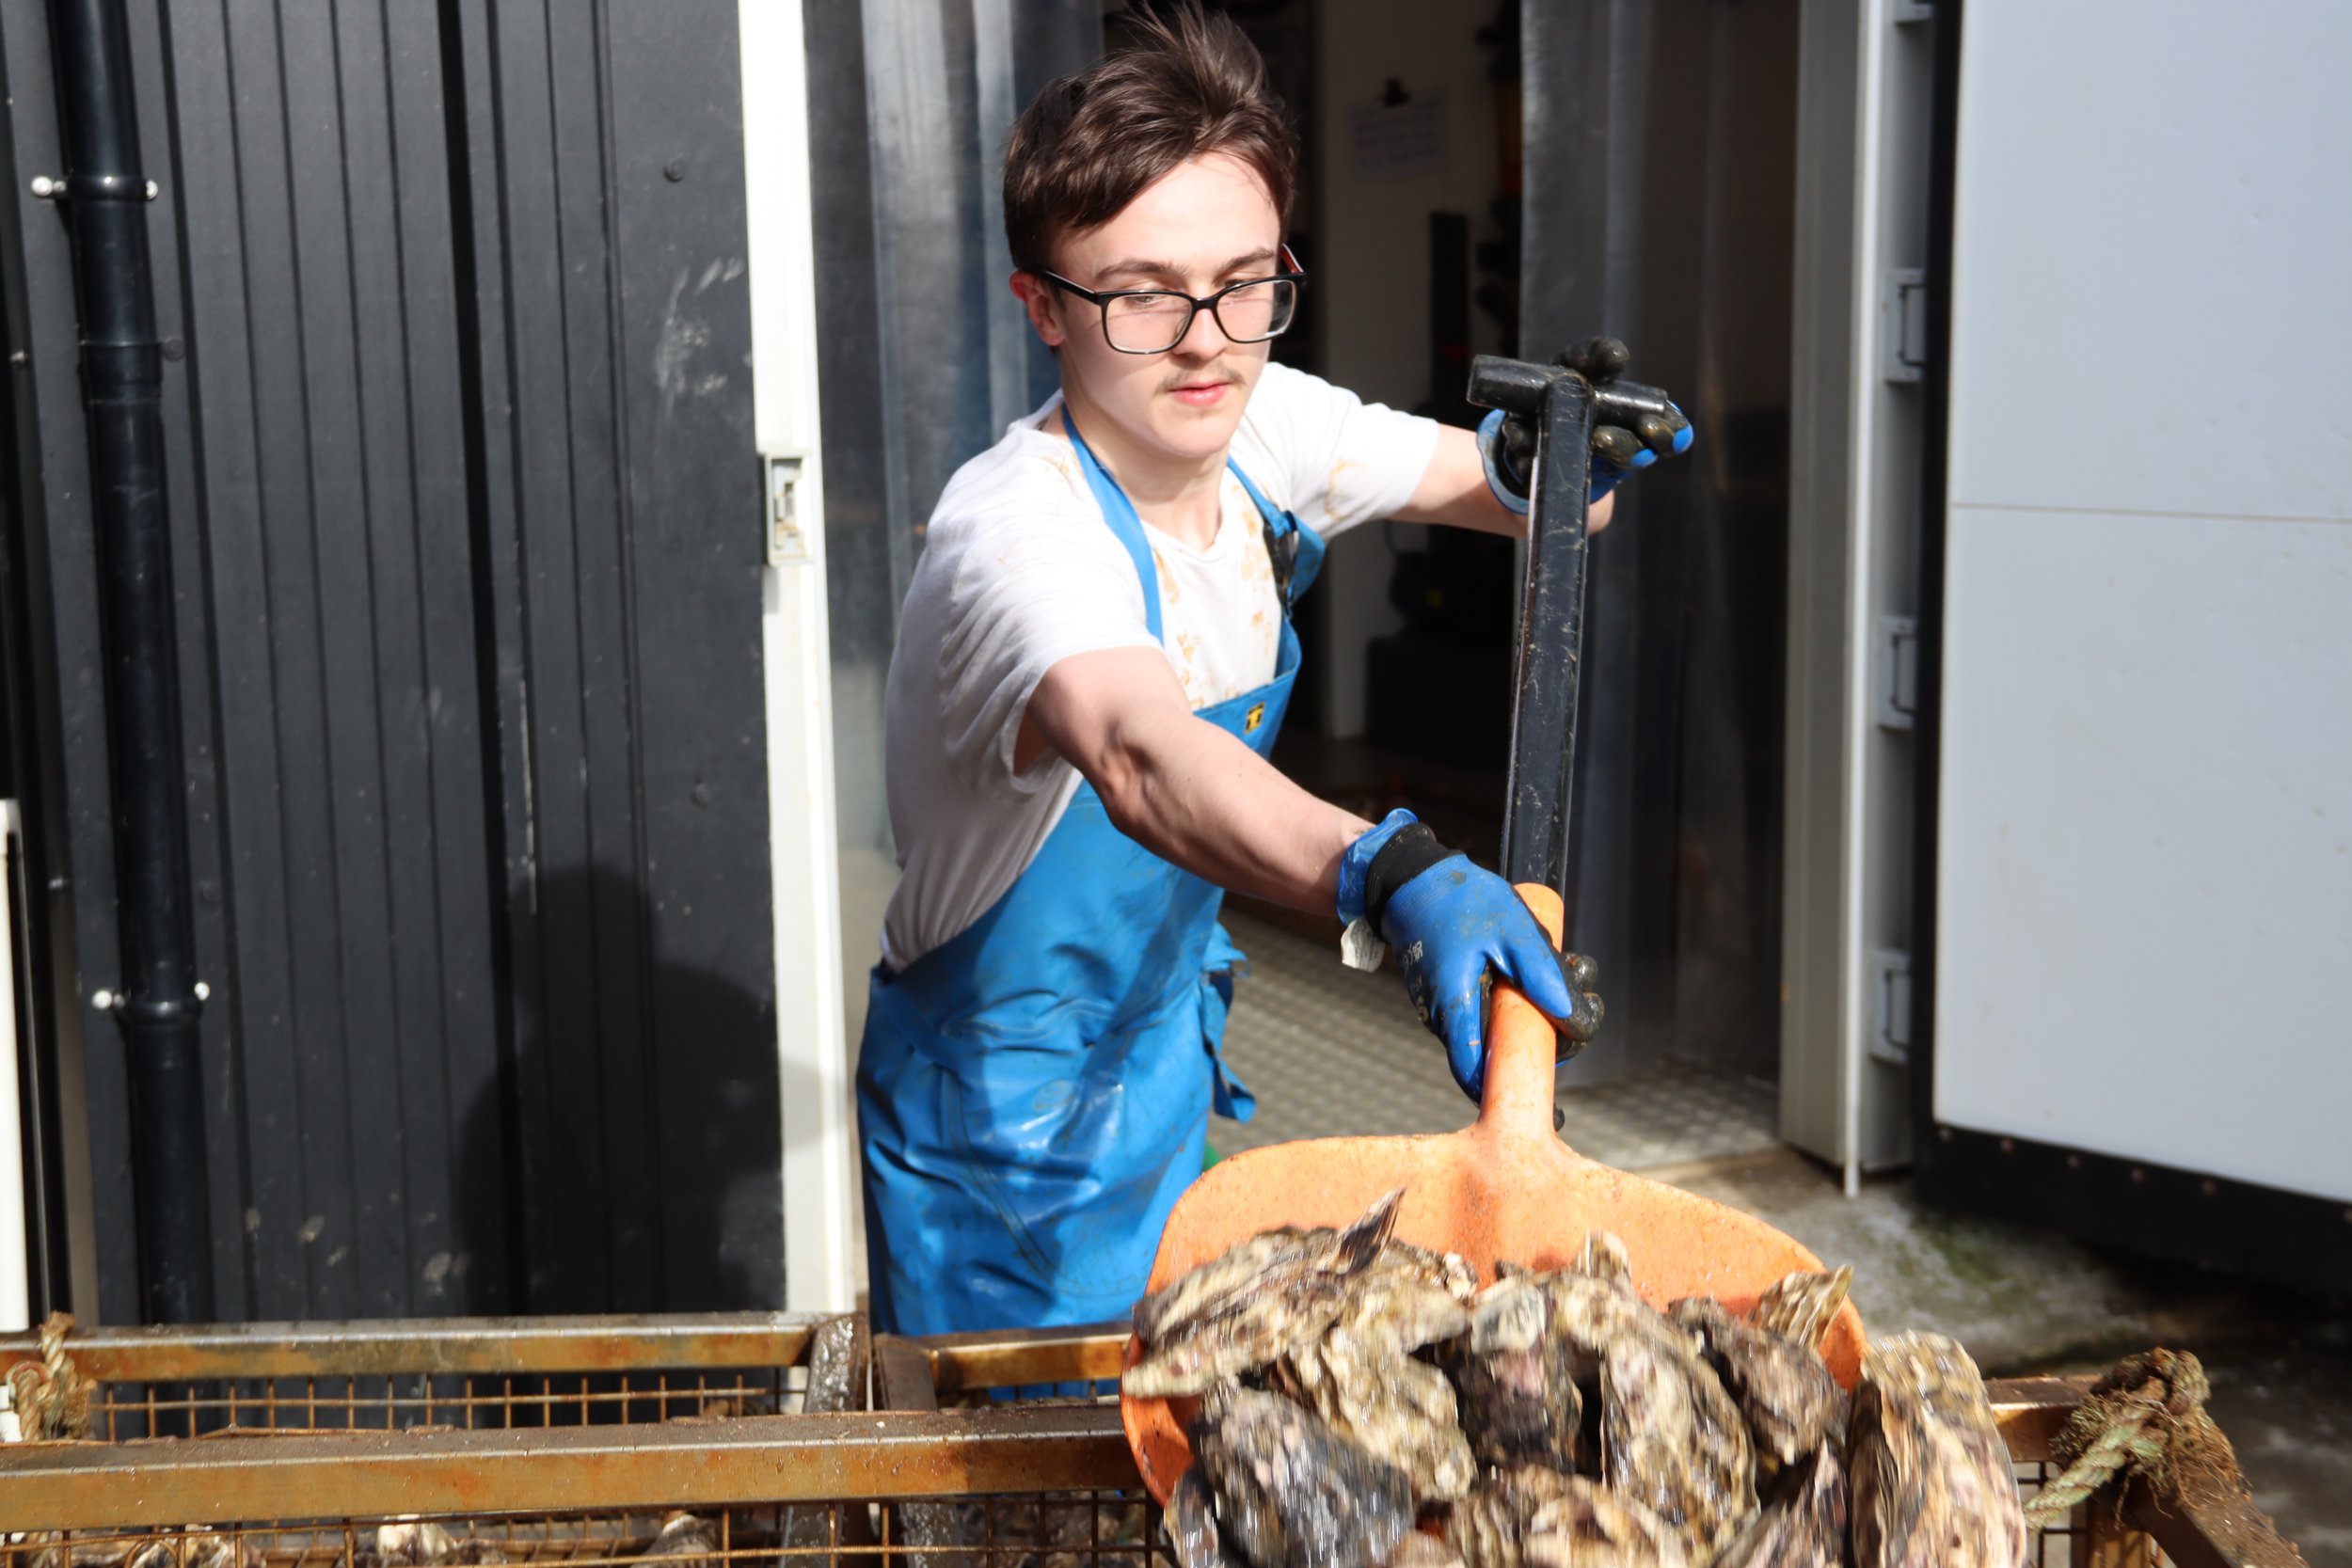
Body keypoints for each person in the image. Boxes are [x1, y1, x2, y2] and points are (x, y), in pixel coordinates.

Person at [856, 4, 1691, 1337]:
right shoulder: (1015, 533)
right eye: (1142, 294)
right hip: (1000, 1128)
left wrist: (1565, 453)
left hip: (1157, 1053)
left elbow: (1532, 500)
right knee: (1031, 1447)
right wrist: (1388, 868)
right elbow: (1141, 758)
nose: (1207, 339)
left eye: (1246, 282)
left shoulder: (1260, 422)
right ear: (1043, 308)